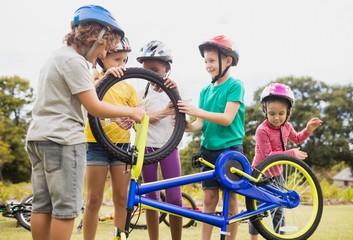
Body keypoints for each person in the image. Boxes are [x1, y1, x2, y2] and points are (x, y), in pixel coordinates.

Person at [25, 5, 145, 240]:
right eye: (104, 46)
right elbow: (94, 106)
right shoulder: (75, 61)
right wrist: (131, 113)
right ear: (96, 36)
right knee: (66, 209)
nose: (103, 53)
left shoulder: (57, 56)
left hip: (39, 138)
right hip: (63, 140)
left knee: (42, 206)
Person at [177, 35, 245, 240]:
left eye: (212, 60)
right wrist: (188, 126)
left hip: (230, 149)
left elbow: (226, 118)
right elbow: (201, 123)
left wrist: (197, 110)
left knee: (231, 198)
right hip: (208, 150)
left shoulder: (235, 86)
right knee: (209, 198)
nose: (207, 65)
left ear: (228, 61)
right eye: (205, 61)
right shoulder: (205, 91)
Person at [248, 82, 323, 240]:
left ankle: (279, 237)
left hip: (278, 174)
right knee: (258, 210)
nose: (276, 118)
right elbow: (269, 156)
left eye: (281, 113)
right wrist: (291, 154)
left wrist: (308, 130)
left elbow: (296, 139)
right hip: (260, 175)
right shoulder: (262, 130)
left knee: (279, 209)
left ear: (288, 112)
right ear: (265, 111)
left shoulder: (287, 126)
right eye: (272, 113)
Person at [82, 37, 139, 240]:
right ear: (102, 58)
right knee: (94, 199)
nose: (121, 65)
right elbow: (87, 101)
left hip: (122, 146)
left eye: (124, 60)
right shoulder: (90, 80)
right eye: (116, 60)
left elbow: (139, 111)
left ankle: (119, 237)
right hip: (95, 144)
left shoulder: (128, 87)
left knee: (122, 197)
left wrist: (131, 118)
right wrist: (105, 77)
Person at [136, 40, 183, 240]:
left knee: (174, 197)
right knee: (150, 198)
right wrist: (164, 112)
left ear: (167, 68)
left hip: (170, 147)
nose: (150, 74)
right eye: (146, 70)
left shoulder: (176, 89)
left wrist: (176, 93)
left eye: (155, 70)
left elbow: (184, 117)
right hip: (147, 148)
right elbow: (141, 119)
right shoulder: (142, 92)